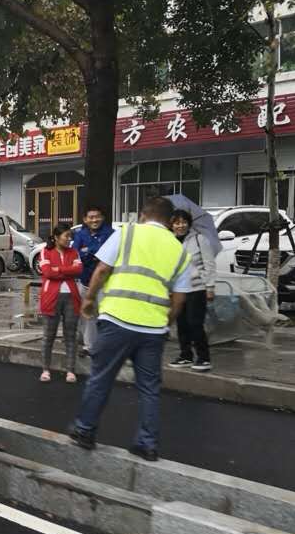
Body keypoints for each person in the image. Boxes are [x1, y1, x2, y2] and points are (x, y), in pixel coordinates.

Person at [69, 197, 192, 461]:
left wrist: (89, 300)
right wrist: (164, 322)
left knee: (101, 378)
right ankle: (147, 444)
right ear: (170, 221)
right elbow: (180, 299)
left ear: (142, 215)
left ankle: (85, 431)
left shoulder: (127, 233)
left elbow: (102, 270)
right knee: (149, 388)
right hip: (153, 330)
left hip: (116, 321)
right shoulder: (180, 251)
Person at [169, 209, 215, 372]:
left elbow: (209, 264)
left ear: (189, 223)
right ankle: (185, 356)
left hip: (197, 288)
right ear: (171, 224)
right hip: (178, 290)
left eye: (183, 222)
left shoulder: (199, 239)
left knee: (195, 323)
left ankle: (203, 358)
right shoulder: (169, 241)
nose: (180, 226)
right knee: (181, 324)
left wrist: (210, 287)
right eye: (176, 222)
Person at [38, 223, 83, 383]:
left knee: (71, 335)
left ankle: (70, 371)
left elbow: (78, 270)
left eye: (71, 236)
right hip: (51, 298)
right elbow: (47, 272)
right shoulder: (45, 251)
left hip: (72, 297)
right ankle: (45, 369)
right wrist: (66, 270)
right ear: (56, 238)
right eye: (66, 236)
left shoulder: (74, 252)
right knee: (48, 336)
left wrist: (59, 269)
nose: (69, 240)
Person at [71, 205, 115, 357]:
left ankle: (106, 346)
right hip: (85, 281)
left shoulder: (110, 233)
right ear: (85, 219)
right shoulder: (80, 234)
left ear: (102, 218)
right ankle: (89, 347)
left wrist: (88, 252)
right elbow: (76, 254)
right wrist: (93, 252)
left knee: (105, 315)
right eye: (91, 217)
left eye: (97, 216)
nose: (94, 220)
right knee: (87, 315)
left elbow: (109, 256)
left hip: (105, 283)